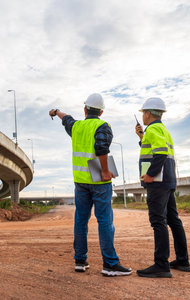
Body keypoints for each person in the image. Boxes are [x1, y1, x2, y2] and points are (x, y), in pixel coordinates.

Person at [49, 93, 132, 276]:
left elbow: (66, 119)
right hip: (99, 182)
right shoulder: (103, 126)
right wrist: (104, 170)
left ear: (85, 109)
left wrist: (56, 111)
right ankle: (110, 264)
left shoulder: (77, 127)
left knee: (81, 221)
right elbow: (101, 148)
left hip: (80, 182)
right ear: (101, 111)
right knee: (105, 222)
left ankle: (80, 260)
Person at [135, 97, 190, 278]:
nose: (142, 116)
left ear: (148, 113)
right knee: (173, 220)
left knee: (158, 221)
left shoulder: (153, 128)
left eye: (143, 112)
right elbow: (156, 150)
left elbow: (160, 153)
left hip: (158, 183)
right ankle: (182, 261)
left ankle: (161, 264)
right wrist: (142, 138)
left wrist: (150, 175)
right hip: (168, 181)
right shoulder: (162, 130)